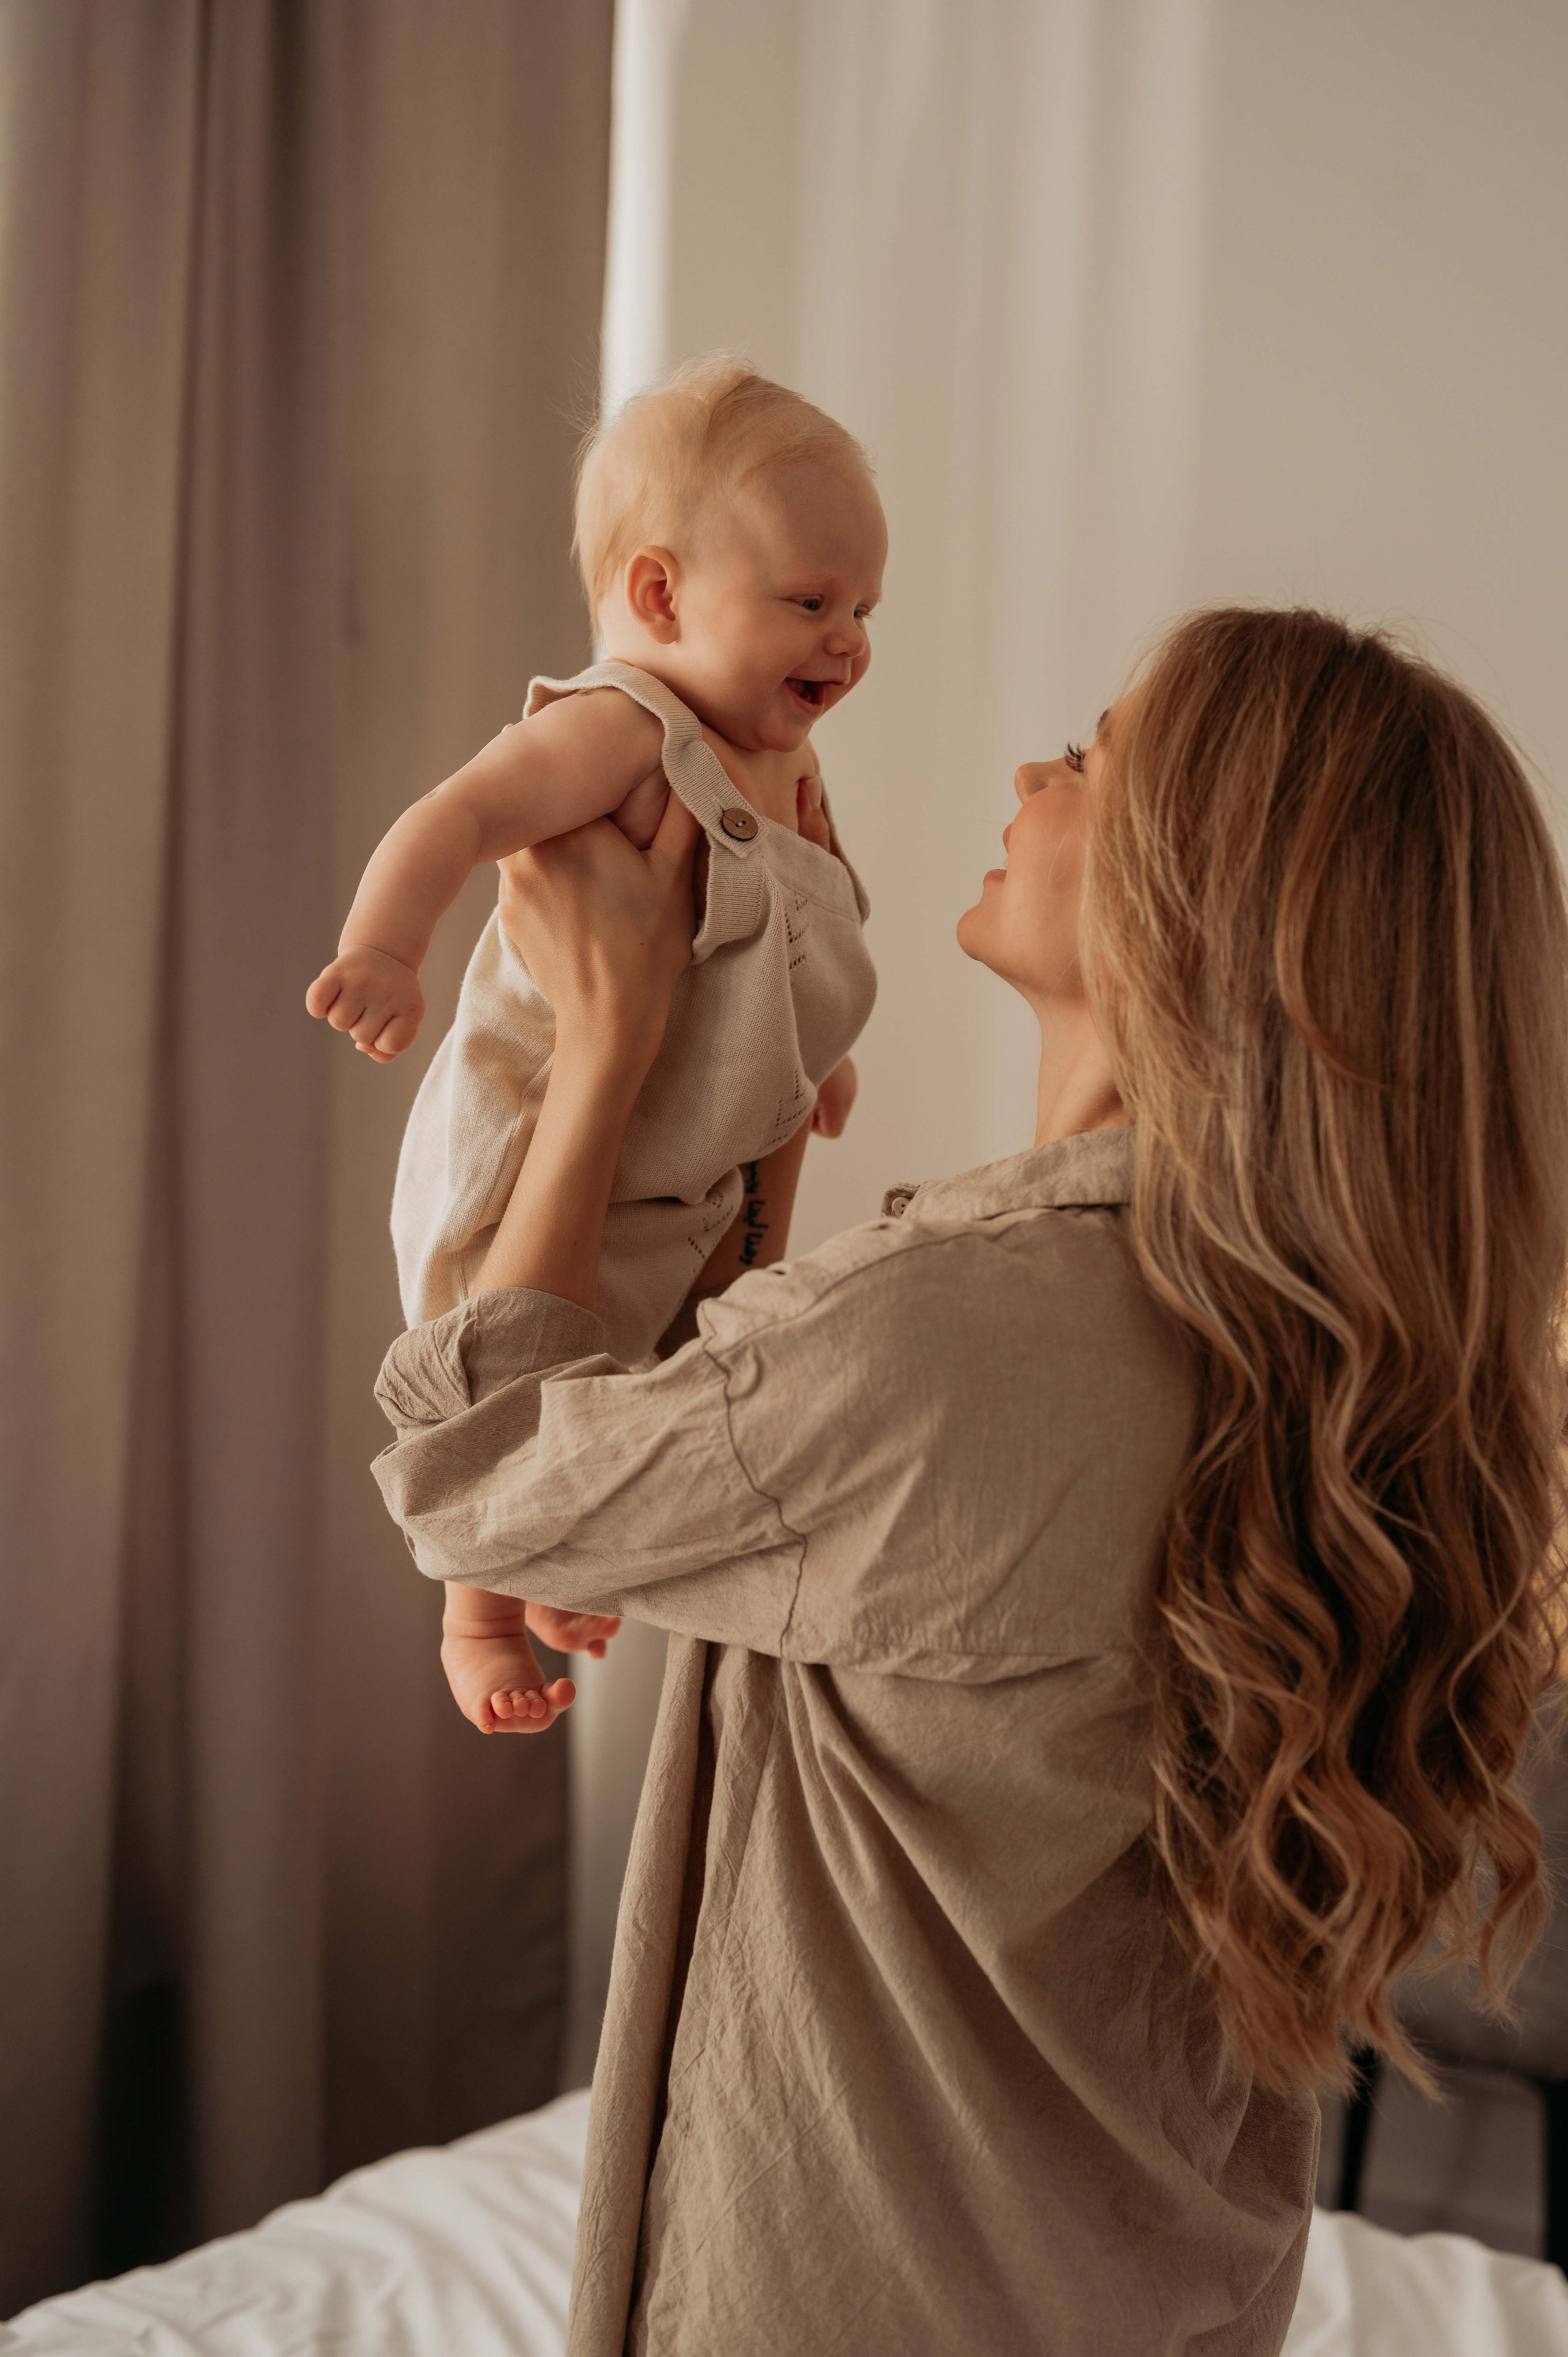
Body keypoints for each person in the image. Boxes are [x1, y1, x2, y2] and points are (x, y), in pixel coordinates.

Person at [372, 607, 1568, 2355]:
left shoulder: (966, 1332)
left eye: (1092, 755)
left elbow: (484, 1476)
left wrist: (610, 1033)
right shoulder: (1313, 1360)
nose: (1031, 773)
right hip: (1162, 2290)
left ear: (1202, 890)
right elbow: (733, 1433)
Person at [309, 358, 885, 1727]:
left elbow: (788, 941)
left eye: (864, 608)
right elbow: (452, 817)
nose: (847, 639)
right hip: (539, 1154)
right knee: (504, 1374)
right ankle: (478, 1618)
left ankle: (575, 1568)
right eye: (809, 600)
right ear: (658, 595)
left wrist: (813, 1052)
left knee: (635, 1391)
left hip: (682, 1174)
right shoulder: (623, 728)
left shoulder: (785, 770)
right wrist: (386, 947)